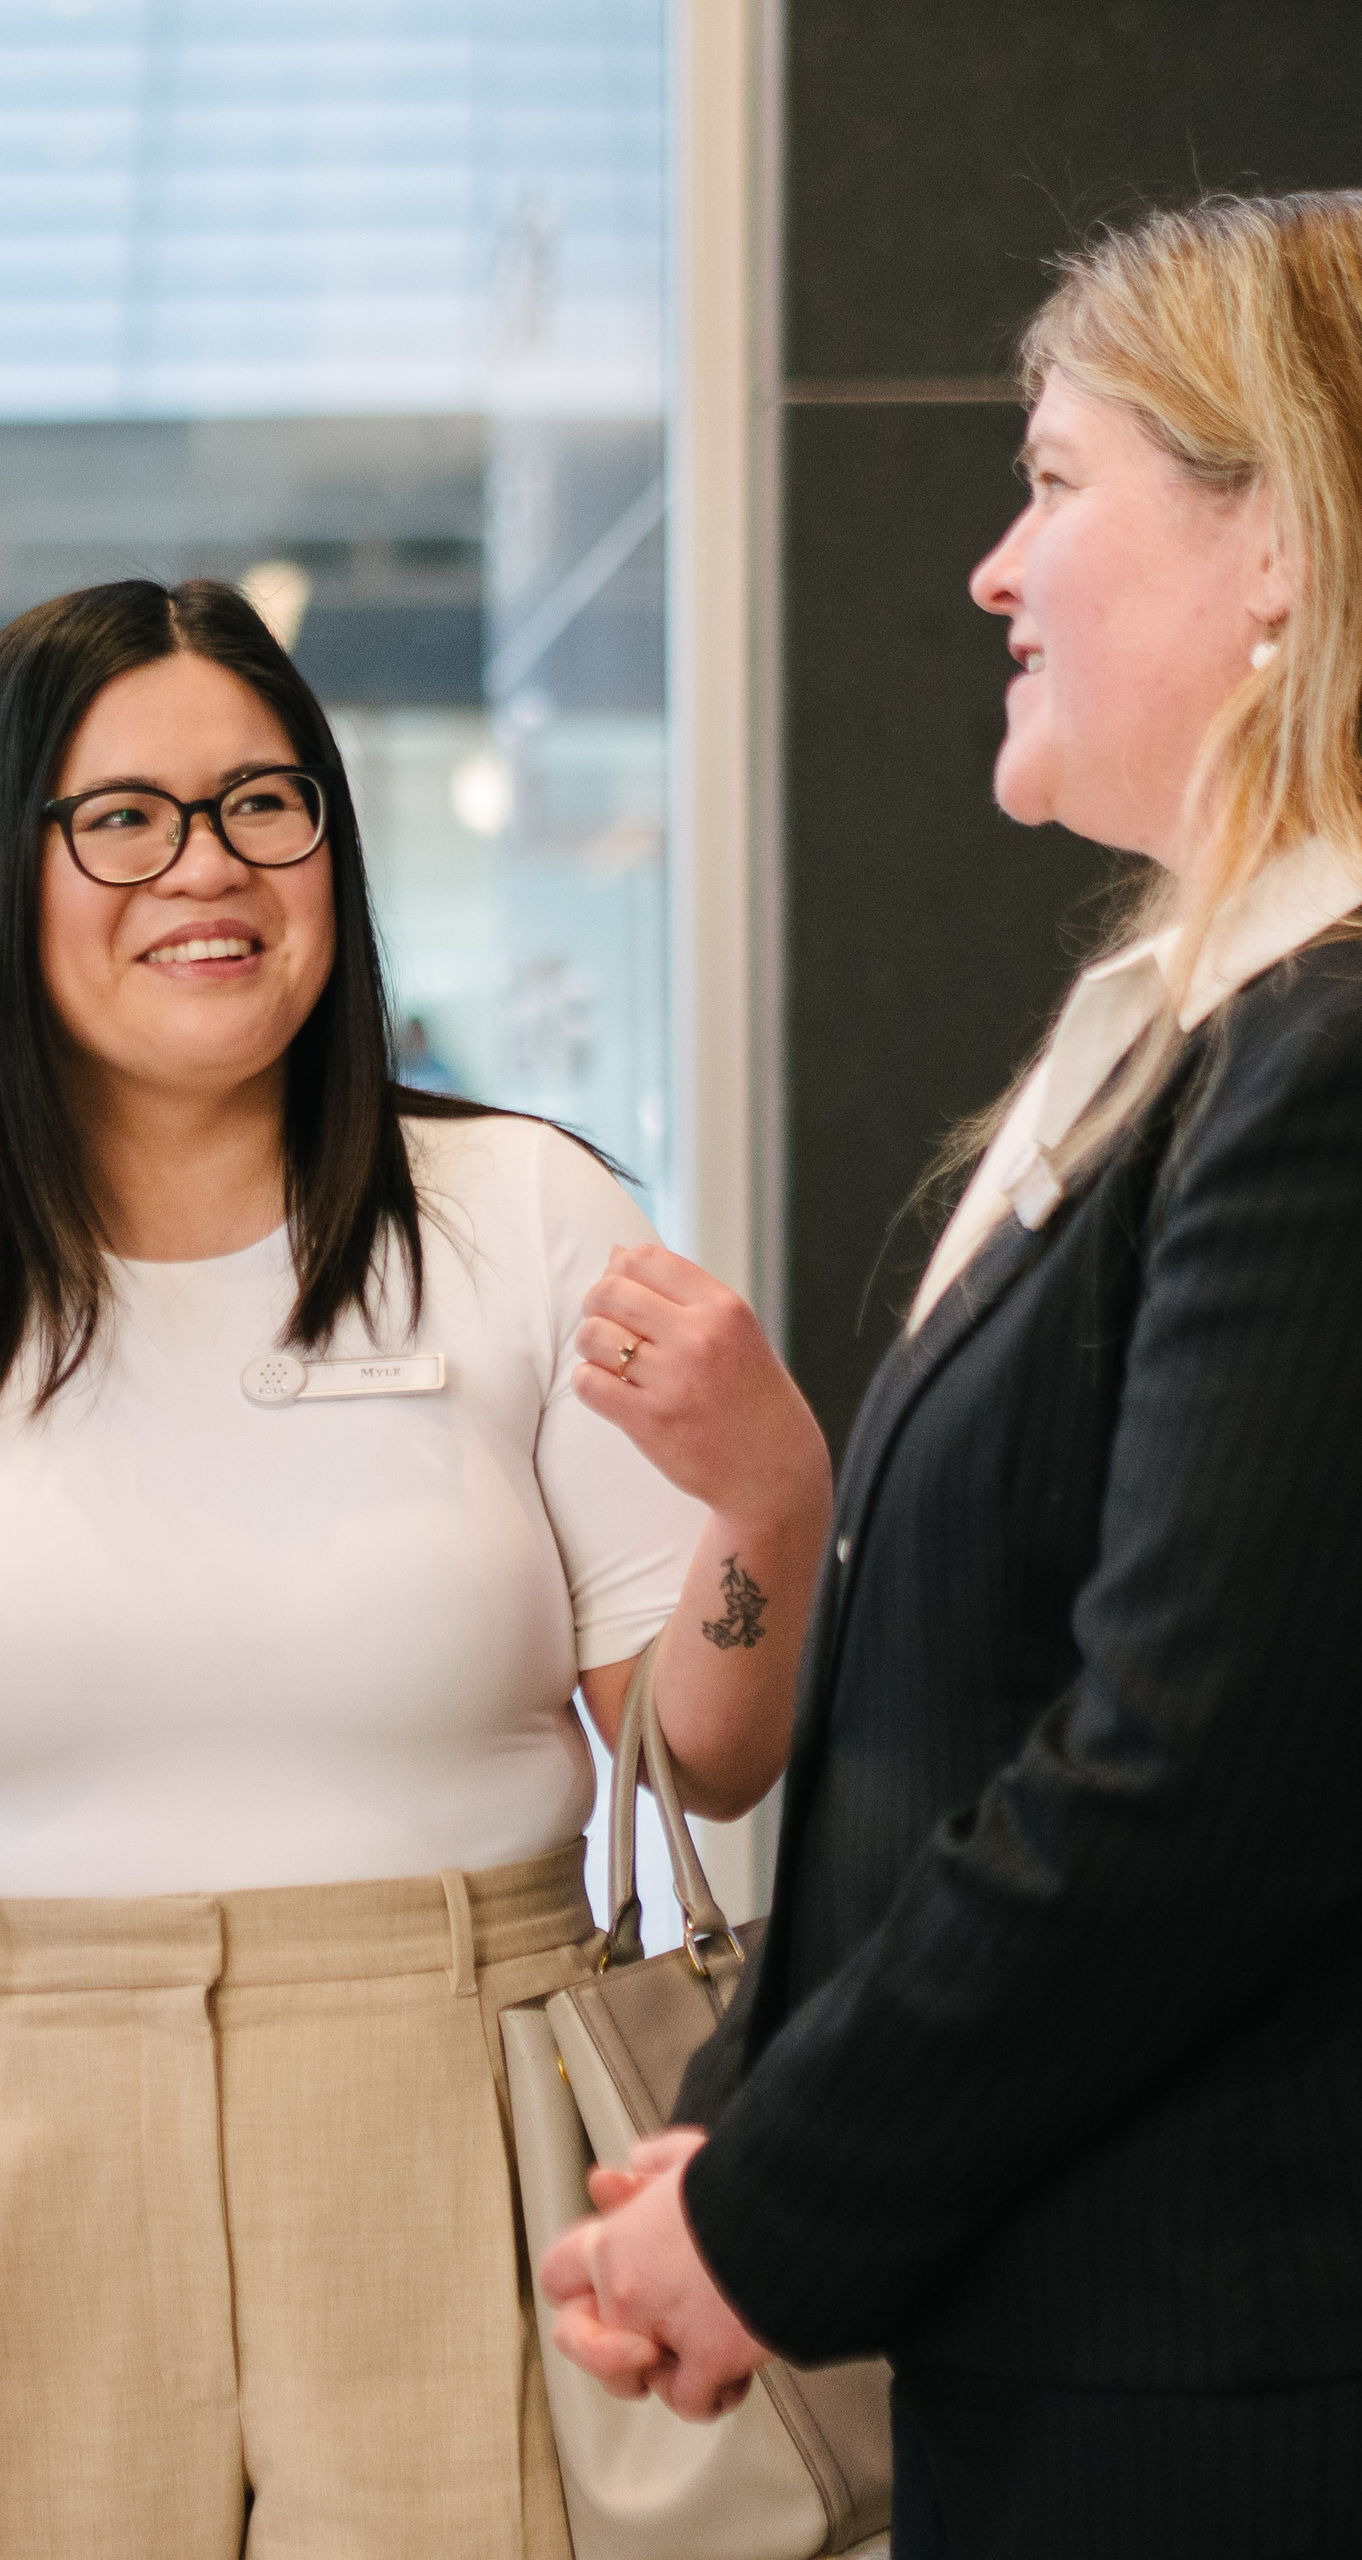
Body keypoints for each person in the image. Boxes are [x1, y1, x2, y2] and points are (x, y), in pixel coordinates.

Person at [0, 576, 830, 2557]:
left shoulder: (519, 1211)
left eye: (264, 801)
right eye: (123, 818)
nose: (206, 867)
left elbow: (704, 1753)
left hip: (457, 2111)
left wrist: (764, 1508)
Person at [540, 193, 1362, 2559]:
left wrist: (767, 2200)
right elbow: (1006, 1737)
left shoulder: (1314, 1068)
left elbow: (1174, 1778)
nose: (993, 569)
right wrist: (763, 2137)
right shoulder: (1192, 1035)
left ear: (1281, 550)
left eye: (1054, 480)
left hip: (1224, 2392)